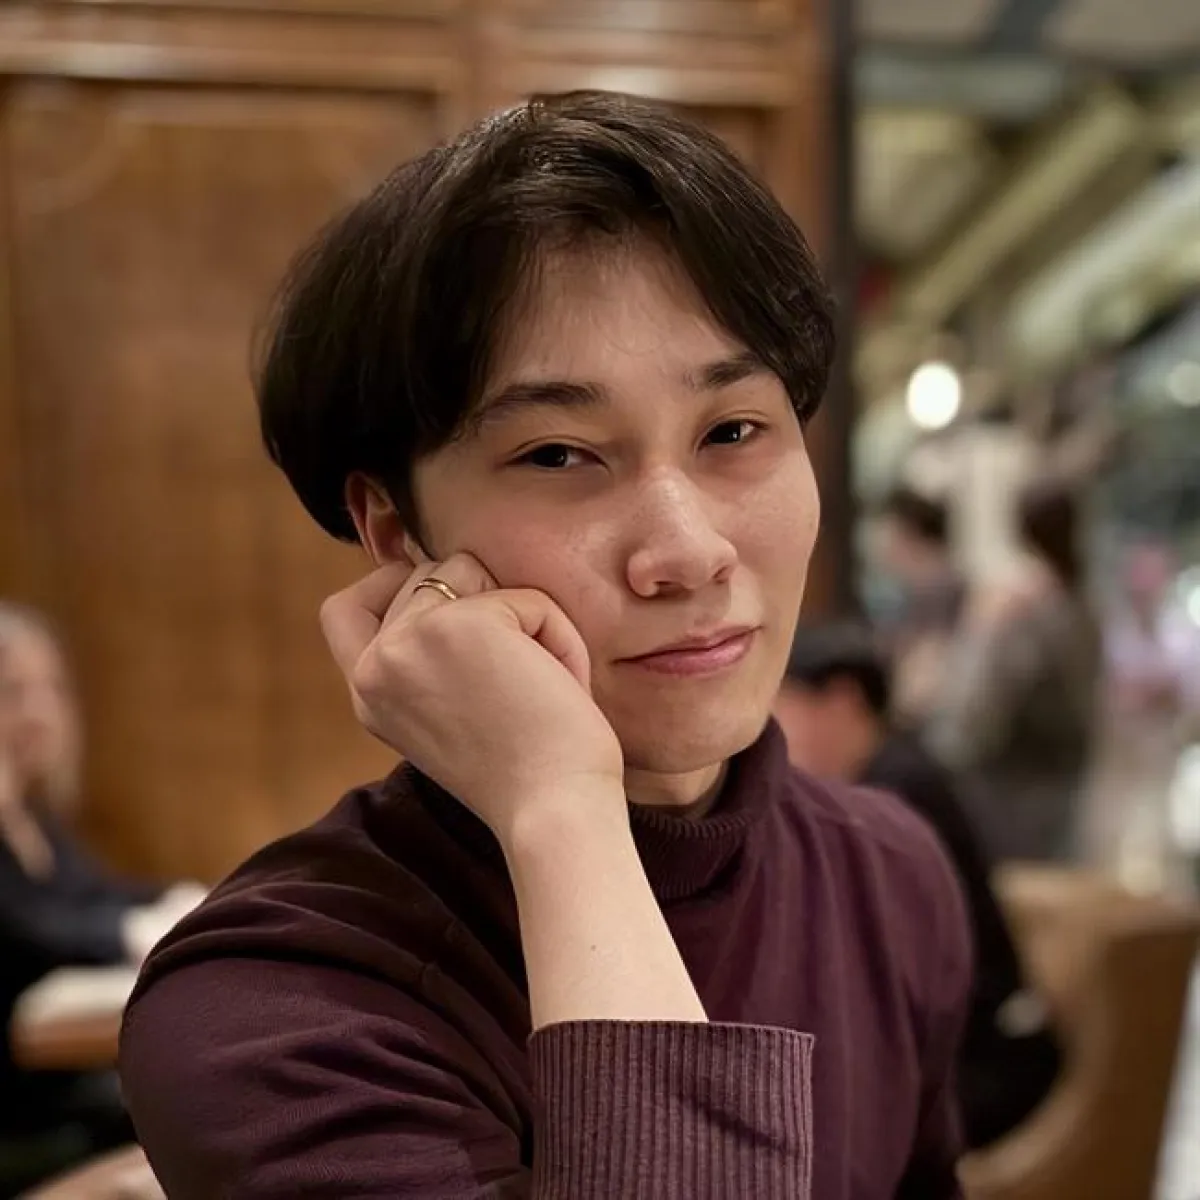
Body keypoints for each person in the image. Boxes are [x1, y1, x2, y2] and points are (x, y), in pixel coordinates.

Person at [119, 91, 972, 1199]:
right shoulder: (271, 1009)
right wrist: (563, 809)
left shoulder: (887, 875)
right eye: (560, 455)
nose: (687, 551)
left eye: (733, 431)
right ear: (395, 528)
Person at [775, 623, 1062, 1150]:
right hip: (942, 1045)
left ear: (842, 702)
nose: (772, 730)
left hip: (980, 1058)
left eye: (784, 705)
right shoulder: (880, 780)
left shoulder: (896, 796)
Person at [0, 603, 203, 1183]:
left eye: (52, 690)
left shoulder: (34, 820)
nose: (40, 713)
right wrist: (133, 930)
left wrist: (185, 898)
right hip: (22, 1107)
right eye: (13, 693)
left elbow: (94, 894)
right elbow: (31, 931)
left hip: (57, 1081)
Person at [930, 479, 1102, 862]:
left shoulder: (1021, 604)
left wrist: (979, 627)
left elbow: (975, 715)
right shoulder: (1082, 603)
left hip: (1010, 788)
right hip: (1066, 781)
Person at [870, 486, 966, 728]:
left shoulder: (938, 591)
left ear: (907, 532)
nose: (879, 544)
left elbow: (921, 683)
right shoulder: (914, 592)